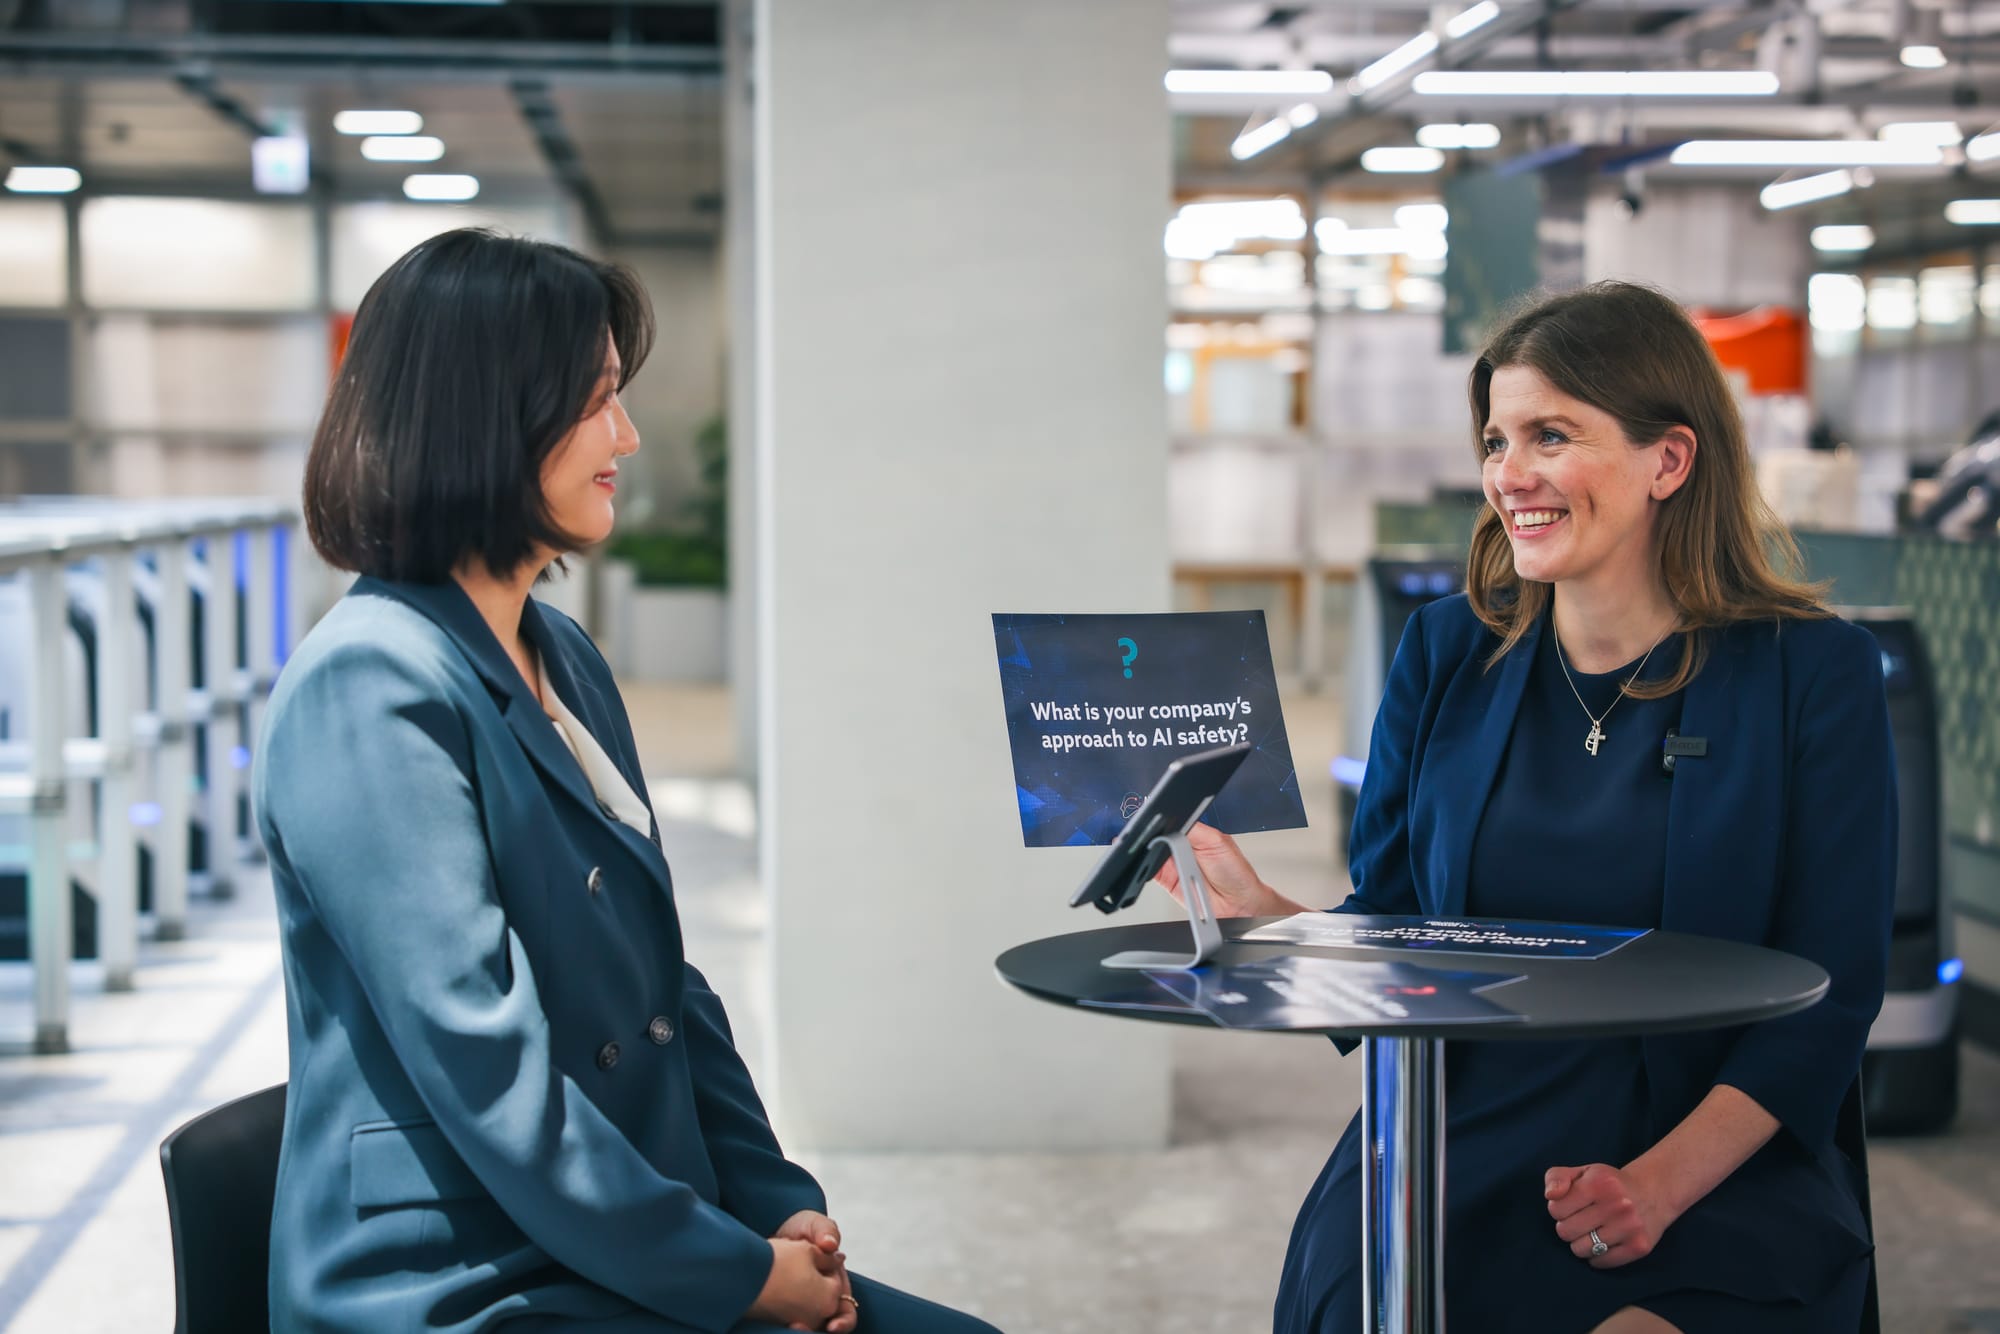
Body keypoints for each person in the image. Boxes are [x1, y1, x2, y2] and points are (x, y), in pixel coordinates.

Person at [256, 228, 1002, 1334]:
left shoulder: (561, 654)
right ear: (487, 413)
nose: (627, 434)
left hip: (608, 1220)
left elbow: (663, 984)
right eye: (597, 398)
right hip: (459, 1273)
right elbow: (489, 1077)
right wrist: (739, 1274)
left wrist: (774, 1202)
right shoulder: (369, 685)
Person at [1158, 281, 1896, 1334]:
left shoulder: (1812, 674)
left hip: (1711, 1149)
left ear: (1668, 460)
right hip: (1454, 1128)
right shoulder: (1444, 650)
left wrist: (1657, 1185)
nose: (1509, 474)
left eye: (1551, 435)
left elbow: (1833, 989)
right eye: (1496, 441)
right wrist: (1267, 920)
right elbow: (1396, 935)